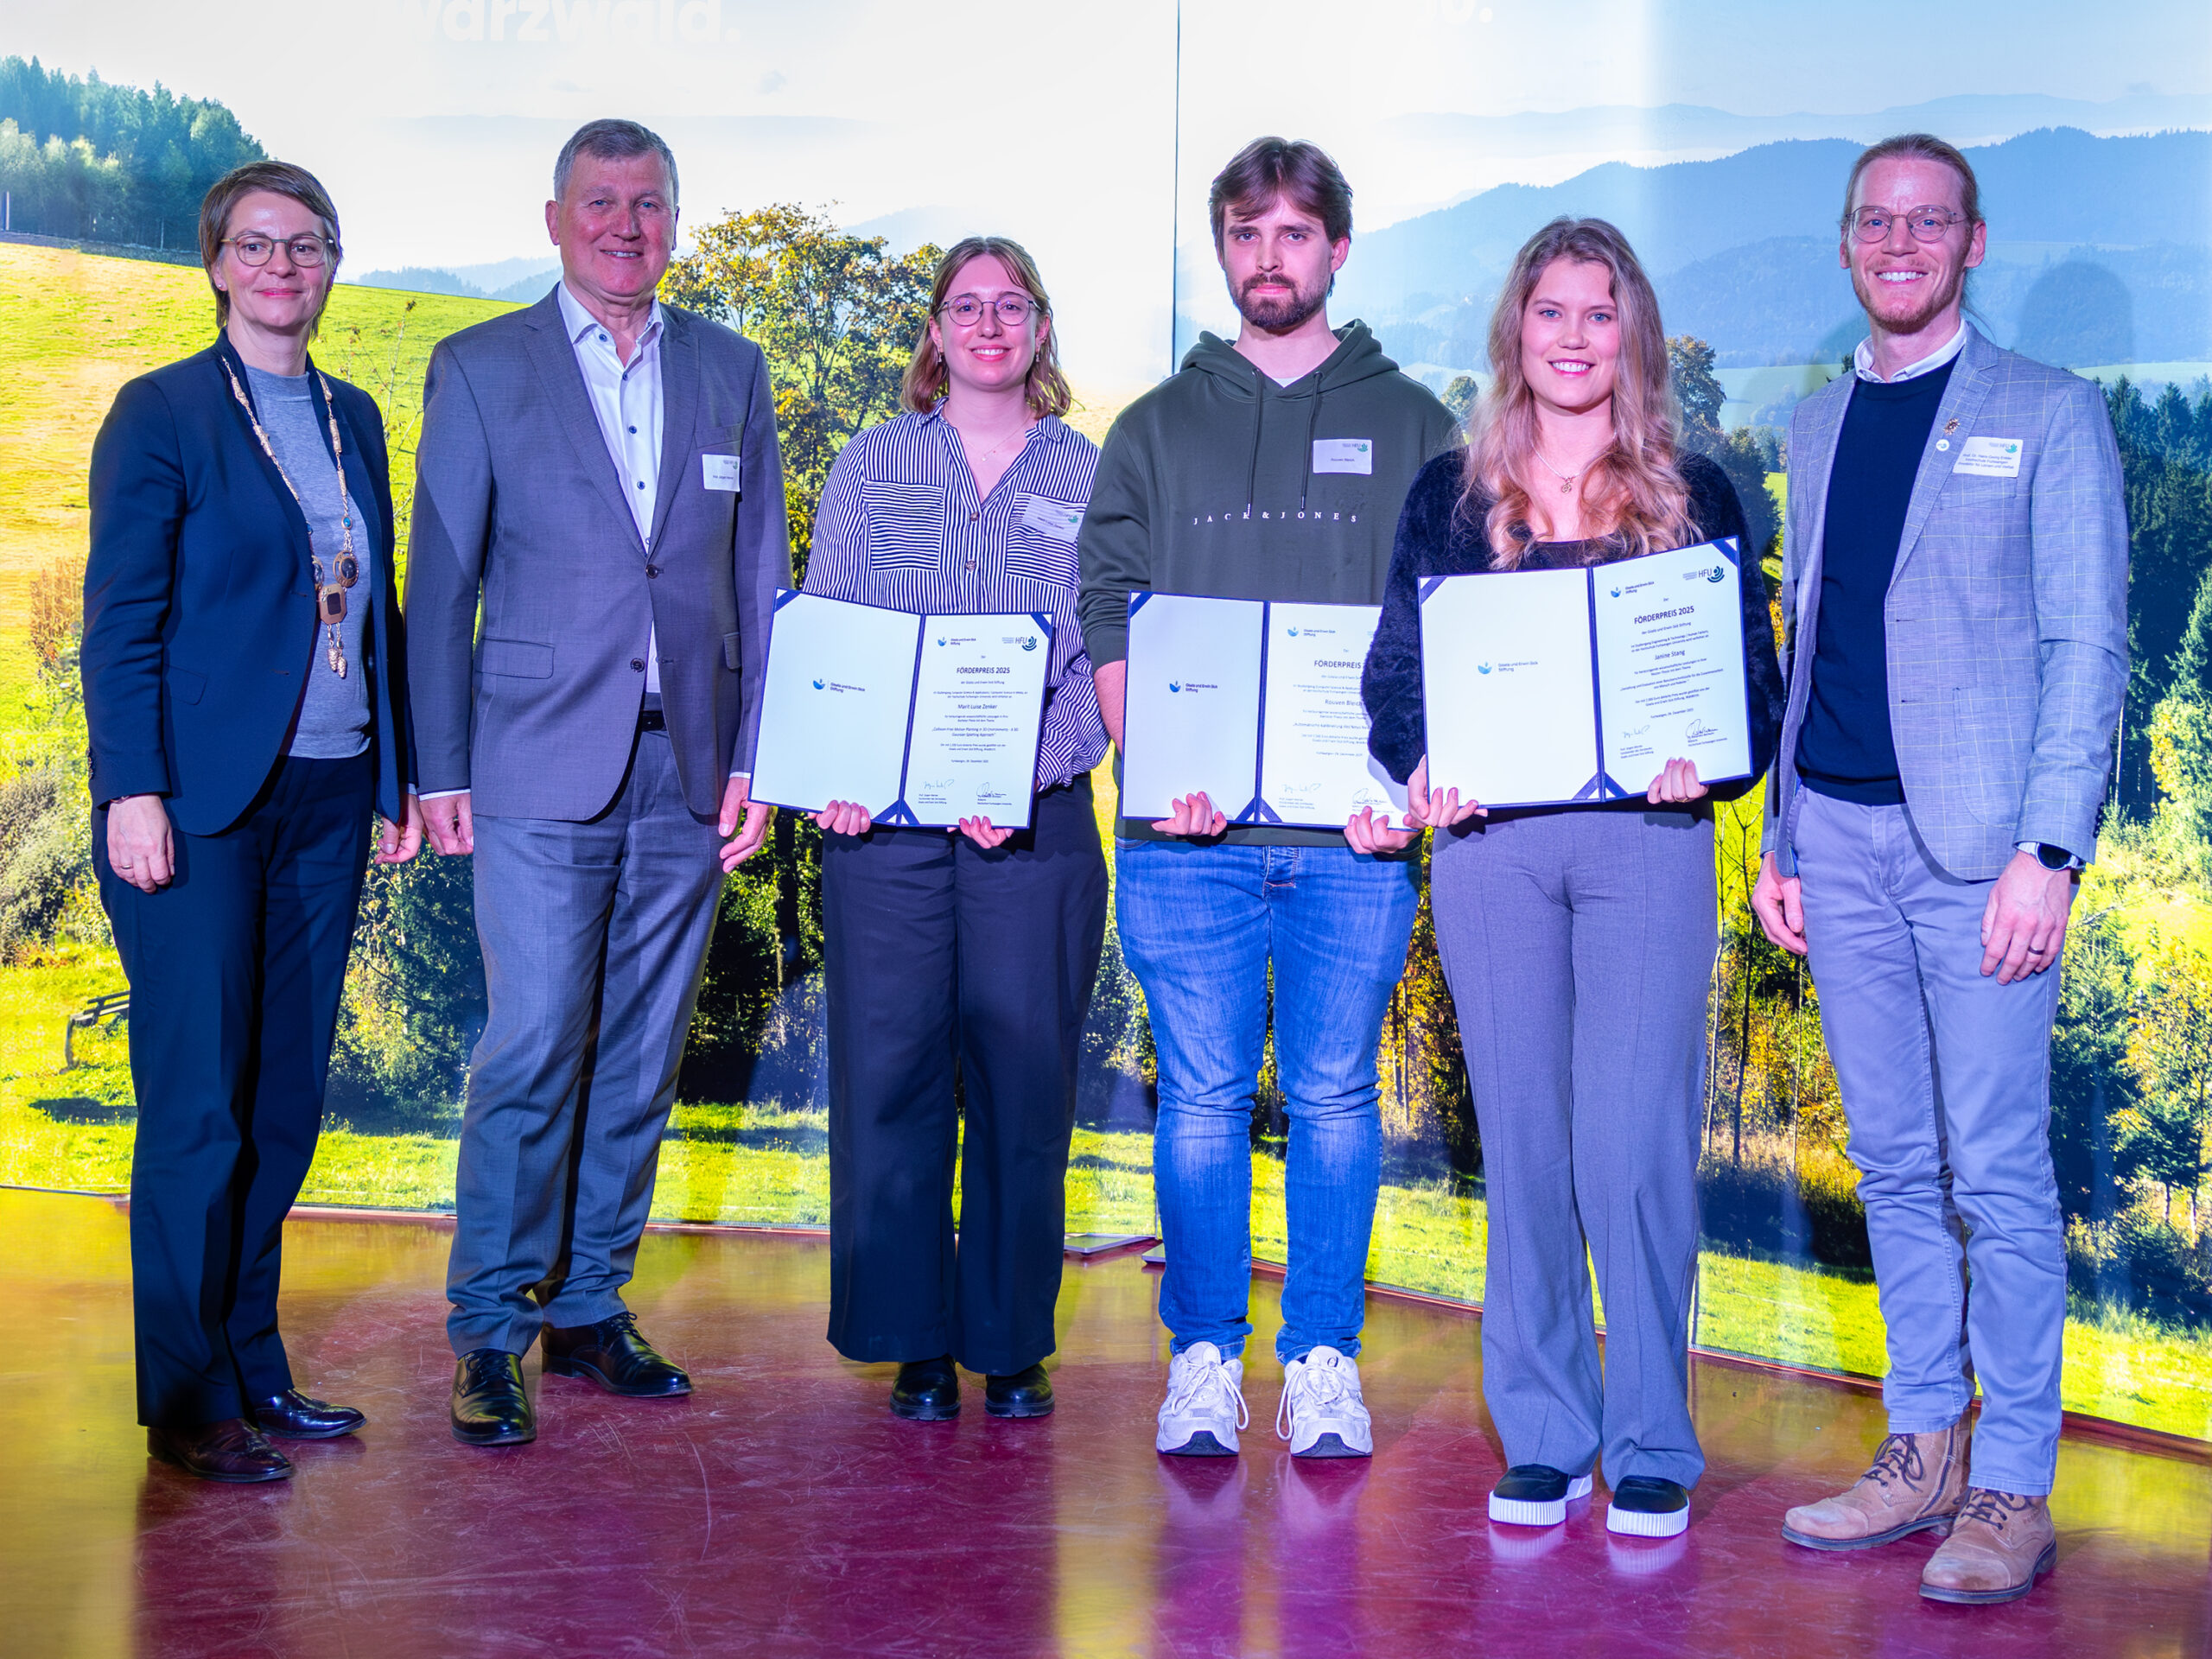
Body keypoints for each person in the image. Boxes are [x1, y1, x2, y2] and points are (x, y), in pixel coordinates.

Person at [1360, 217, 1783, 1539]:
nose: (1575, 336)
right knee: (1528, 1148)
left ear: (1632, 332)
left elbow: (1752, 690)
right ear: (1517, 330)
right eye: (1552, 310)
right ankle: (1544, 1432)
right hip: (1490, 852)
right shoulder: (1449, 496)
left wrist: (1710, 760)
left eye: (1601, 312)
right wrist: (1423, 766)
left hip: (1646, 846)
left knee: (1630, 1147)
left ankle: (1651, 1439)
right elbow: (1394, 681)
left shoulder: (1694, 495)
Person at [1752, 134, 2126, 1604]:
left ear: (1974, 242)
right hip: (1836, 842)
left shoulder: (2051, 412)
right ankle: (1923, 1450)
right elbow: (1812, 643)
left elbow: (2087, 646)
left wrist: (2050, 852)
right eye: (1875, 220)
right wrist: (1781, 837)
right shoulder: (1815, 422)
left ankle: (2014, 1481)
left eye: (1928, 221)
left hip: (1982, 860)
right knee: (1896, 1166)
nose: (1898, 242)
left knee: (1998, 1173)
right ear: (1847, 242)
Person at [1077, 137, 1460, 1459]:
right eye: (1246, 233)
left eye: (1295, 233)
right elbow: (1108, 607)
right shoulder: (1152, 427)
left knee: (1337, 1097)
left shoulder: (1416, 423)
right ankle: (1201, 1359)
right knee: (1199, 1100)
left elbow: (1448, 618)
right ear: (1223, 249)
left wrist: (1411, 787)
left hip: (1354, 839)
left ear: (1337, 249)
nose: (1269, 256)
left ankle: (1323, 1362)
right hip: (1187, 841)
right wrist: (1148, 766)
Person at [406, 118, 786, 1447]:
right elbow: (440, 586)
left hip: (690, 769)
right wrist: (438, 766)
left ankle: (587, 1306)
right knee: (531, 1046)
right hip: (531, 760)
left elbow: (760, 579)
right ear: (555, 220)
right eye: (602, 203)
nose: (627, 226)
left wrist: (759, 756)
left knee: (639, 1052)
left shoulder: (733, 368)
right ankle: (489, 1328)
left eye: (650, 204)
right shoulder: (480, 366)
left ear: (675, 221)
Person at [83, 161, 422, 1483]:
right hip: (197, 809)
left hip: (330, 799)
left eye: (308, 244)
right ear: (217, 264)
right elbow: (122, 622)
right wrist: (132, 790)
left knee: (283, 1103)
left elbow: (373, 610)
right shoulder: (162, 412)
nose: (285, 266)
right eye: (258, 244)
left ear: (333, 263)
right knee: (198, 1111)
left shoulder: (354, 416)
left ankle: (252, 1364)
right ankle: (187, 1400)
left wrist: (395, 777)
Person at [804, 237, 1109, 1423]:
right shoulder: (874, 462)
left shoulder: (1090, 472)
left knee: (1025, 1088)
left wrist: (1020, 772)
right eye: (966, 305)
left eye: (1012, 304)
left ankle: (1009, 1340)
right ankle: (914, 1341)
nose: (989, 324)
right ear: (934, 330)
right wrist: (835, 768)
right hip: (884, 832)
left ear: (1041, 328)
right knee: (890, 1081)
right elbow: (830, 626)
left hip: (1032, 828)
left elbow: (1107, 656)